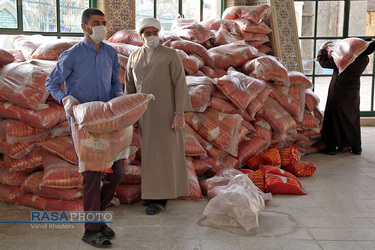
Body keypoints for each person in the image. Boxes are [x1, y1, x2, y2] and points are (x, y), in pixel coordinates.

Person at [45, 8, 124, 248]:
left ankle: (96, 218)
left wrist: (120, 95)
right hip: (84, 124)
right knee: (91, 175)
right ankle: (91, 231)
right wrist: (65, 98)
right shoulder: (72, 55)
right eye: (95, 23)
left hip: (109, 120)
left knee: (117, 170)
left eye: (103, 22)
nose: (100, 26)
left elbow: (114, 81)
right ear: (84, 27)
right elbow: (51, 82)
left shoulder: (111, 53)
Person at [125, 17, 193, 215]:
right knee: (149, 155)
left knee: (165, 155)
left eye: (155, 32)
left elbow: (180, 84)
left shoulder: (171, 55)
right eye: (148, 33)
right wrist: (128, 114)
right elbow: (129, 87)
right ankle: (152, 193)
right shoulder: (134, 57)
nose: (152, 36)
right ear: (141, 36)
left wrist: (179, 113)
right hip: (144, 115)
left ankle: (161, 198)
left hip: (166, 114)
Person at [316, 39, 375, 155]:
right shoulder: (364, 60)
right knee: (351, 117)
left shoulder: (345, 60)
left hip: (339, 90)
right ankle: (356, 146)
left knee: (333, 116)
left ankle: (332, 147)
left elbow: (324, 63)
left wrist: (322, 50)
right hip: (353, 92)